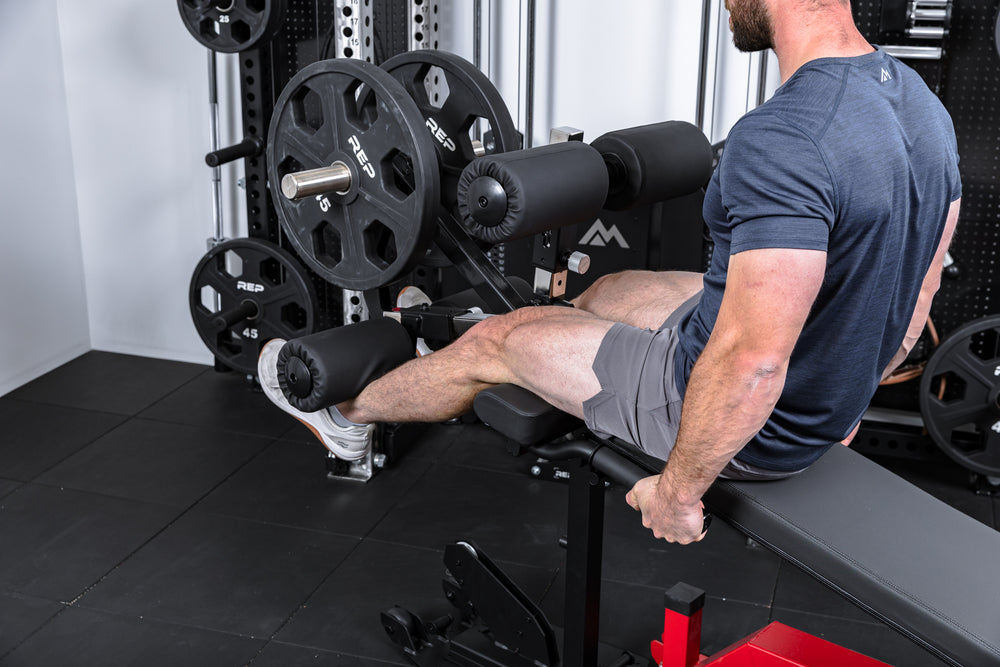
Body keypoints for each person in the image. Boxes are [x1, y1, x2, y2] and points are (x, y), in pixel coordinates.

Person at [258, 0, 961, 545]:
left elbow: (750, 361)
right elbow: (916, 293)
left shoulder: (785, 135)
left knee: (497, 343)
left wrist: (679, 492)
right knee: (611, 293)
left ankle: (347, 416)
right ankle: (465, 337)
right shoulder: (918, 105)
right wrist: (842, 400)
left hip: (738, 418)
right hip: (803, 397)